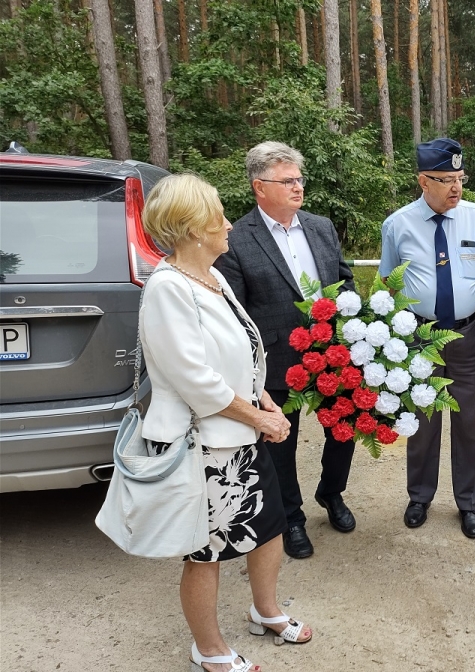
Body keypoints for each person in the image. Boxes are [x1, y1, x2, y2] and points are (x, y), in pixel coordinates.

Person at [140, 174, 312, 672]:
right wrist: (259, 416)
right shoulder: (168, 288)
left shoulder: (212, 278)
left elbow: (245, 355)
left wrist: (266, 403)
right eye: (219, 215)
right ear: (194, 228)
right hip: (204, 446)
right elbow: (196, 381)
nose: (230, 224)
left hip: (242, 436)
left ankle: (266, 611)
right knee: (206, 553)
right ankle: (209, 650)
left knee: (270, 526)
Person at [215, 141, 357, 561]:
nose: (298, 187)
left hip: (332, 355)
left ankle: (331, 492)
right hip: (276, 361)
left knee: (344, 430)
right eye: (288, 180)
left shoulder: (320, 227)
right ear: (259, 187)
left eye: (299, 179)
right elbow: (234, 313)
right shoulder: (237, 239)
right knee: (279, 443)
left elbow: (344, 280)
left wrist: (350, 322)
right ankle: (291, 516)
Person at [379, 138, 475, 538]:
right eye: (446, 180)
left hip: (471, 333)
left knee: (470, 421)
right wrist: (393, 335)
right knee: (423, 419)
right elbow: (387, 281)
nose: (456, 187)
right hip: (420, 335)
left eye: (460, 178)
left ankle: (468, 503)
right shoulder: (397, 225)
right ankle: (420, 496)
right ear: (423, 181)